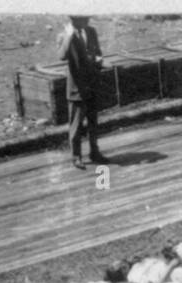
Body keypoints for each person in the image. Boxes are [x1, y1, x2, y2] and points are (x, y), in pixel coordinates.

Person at [58, 15, 107, 169]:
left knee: (93, 121)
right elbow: (62, 56)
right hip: (76, 87)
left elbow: (98, 51)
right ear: (73, 20)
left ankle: (94, 152)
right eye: (83, 19)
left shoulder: (91, 31)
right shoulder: (64, 35)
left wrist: (98, 59)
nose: (87, 21)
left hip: (92, 83)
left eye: (87, 18)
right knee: (76, 125)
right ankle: (76, 156)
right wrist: (69, 35)